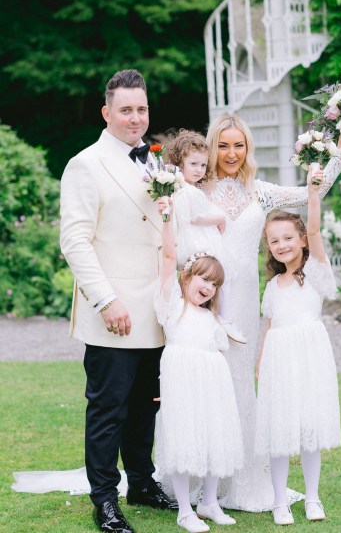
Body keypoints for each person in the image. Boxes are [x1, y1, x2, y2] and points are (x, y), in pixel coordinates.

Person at [197, 113, 341, 511]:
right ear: (213, 147)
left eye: (239, 145)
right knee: (207, 378)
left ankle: (245, 478)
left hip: (247, 297)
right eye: (224, 145)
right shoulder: (195, 187)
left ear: (248, 148)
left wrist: (339, 155)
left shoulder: (260, 192)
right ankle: (203, 479)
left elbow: (312, 192)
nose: (231, 153)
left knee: (242, 382)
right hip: (206, 295)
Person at [59, 69, 177, 533]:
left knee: (148, 404)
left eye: (142, 109)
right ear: (107, 112)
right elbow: (75, 241)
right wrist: (106, 300)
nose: (135, 118)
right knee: (109, 409)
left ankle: (143, 484)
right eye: (126, 110)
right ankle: (104, 500)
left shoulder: (154, 161)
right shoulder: (85, 164)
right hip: (116, 313)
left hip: (157, 310)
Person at [255, 167, 341, 526]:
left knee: (309, 429)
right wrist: (260, 362)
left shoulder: (317, 272)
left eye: (288, 237)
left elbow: (317, 228)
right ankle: (278, 501)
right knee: (279, 431)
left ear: (302, 240)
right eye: (275, 241)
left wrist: (312, 193)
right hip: (278, 359)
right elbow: (270, 323)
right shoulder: (274, 284)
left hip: (309, 357)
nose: (282, 245)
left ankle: (313, 497)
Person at [155, 196, 243, 533]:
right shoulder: (173, 305)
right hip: (182, 381)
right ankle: (183, 509)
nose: (207, 287)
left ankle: (209, 501)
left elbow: (220, 351)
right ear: (187, 275)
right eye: (203, 278)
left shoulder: (212, 318)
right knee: (184, 439)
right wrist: (167, 218)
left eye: (214, 284)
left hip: (213, 383)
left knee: (214, 438)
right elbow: (166, 257)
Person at [168, 129, 246, 344]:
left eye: (203, 165)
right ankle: (224, 319)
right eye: (193, 164)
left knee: (217, 280)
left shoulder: (183, 188)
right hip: (198, 241)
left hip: (196, 239)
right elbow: (194, 217)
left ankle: (218, 319)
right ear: (179, 162)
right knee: (224, 276)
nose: (199, 169)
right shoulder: (188, 191)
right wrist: (219, 218)